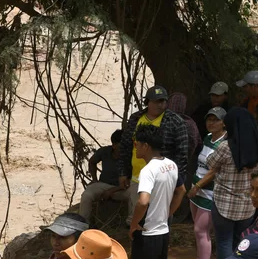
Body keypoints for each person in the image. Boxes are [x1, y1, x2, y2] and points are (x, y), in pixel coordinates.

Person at [120, 123, 181, 259]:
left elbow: (143, 201)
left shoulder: (148, 170)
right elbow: (181, 191)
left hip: (147, 232)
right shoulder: (171, 165)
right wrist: (168, 213)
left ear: (146, 146)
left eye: (137, 144)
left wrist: (134, 224)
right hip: (162, 230)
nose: (135, 148)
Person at [200, 107, 258, 259]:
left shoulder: (226, 147)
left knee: (224, 243)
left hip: (224, 204)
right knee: (240, 242)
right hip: (247, 205)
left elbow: (210, 162)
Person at [117, 85, 190, 220]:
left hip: (161, 180)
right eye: (156, 101)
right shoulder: (136, 118)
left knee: (161, 217)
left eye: (163, 101)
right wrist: (123, 172)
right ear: (148, 102)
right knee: (137, 217)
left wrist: (175, 179)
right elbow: (126, 146)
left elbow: (182, 153)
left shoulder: (175, 121)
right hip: (137, 177)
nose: (160, 105)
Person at [184, 107, 227, 259]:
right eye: (209, 119)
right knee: (199, 229)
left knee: (200, 230)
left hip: (208, 193)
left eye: (216, 120)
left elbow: (214, 171)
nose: (211, 123)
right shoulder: (208, 138)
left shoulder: (224, 144)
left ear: (224, 123)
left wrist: (198, 186)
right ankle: (200, 258)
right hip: (196, 189)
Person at [79, 130, 125, 221]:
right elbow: (92, 162)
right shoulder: (104, 152)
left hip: (122, 188)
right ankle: (83, 223)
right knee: (87, 195)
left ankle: (130, 224)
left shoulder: (130, 155)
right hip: (103, 185)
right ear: (114, 145)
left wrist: (111, 191)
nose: (123, 149)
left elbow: (128, 182)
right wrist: (94, 179)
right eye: (120, 146)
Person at [168, 92, 201, 175]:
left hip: (165, 167)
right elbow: (199, 143)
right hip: (185, 166)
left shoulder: (165, 121)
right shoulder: (191, 123)